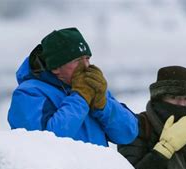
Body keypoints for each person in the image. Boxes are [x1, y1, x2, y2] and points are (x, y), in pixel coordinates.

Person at [8, 27, 138, 147]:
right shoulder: (28, 94)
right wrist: (80, 98)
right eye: (77, 60)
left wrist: (103, 105)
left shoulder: (91, 87)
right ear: (55, 67)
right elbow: (44, 144)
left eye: (87, 58)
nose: (86, 66)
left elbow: (127, 134)